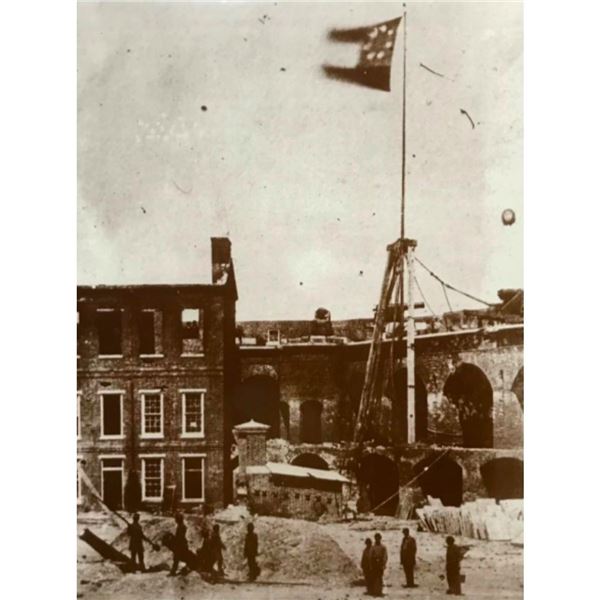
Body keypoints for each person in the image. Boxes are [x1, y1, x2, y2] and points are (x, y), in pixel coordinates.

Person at [370, 532, 388, 597]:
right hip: (374, 563)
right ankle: (375, 591)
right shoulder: (373, 547)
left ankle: (380, 591)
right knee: (375, 577)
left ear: (380, 538)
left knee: (380, 577)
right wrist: (371, 564)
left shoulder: (383, 547)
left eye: (378, 538)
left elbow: (385, 556)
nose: (377, 539)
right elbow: (371, 556)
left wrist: (384, 564)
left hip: (380, 563)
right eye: (376, 538)